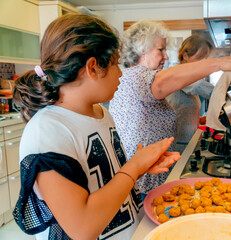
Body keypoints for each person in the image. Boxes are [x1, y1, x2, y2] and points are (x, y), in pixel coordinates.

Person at [12, 14, 180, 240]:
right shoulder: (47, 130)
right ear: (92, 68)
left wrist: (139, 166)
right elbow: (83, 228)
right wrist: (134, 166)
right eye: (114, 64)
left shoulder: (102, 114)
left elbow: (106, 182)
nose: (120, 73)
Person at [109, 19, 231, 197]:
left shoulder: (131, 77)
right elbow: (160, 83)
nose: (166, 56)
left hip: (144, 174)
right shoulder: (137, 77)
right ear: (142, 48)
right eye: (160, 50)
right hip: (141, 180)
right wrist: (220, 63)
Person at [166, 34, 214, 153]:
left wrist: (199, 119)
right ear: (185, 55)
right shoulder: (182, 74)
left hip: (187, 141)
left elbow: (182, 109)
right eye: (200, 58)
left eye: (205, 58)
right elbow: (210, 91)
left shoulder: (191, 77)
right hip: (178, 145)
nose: (203, 63)